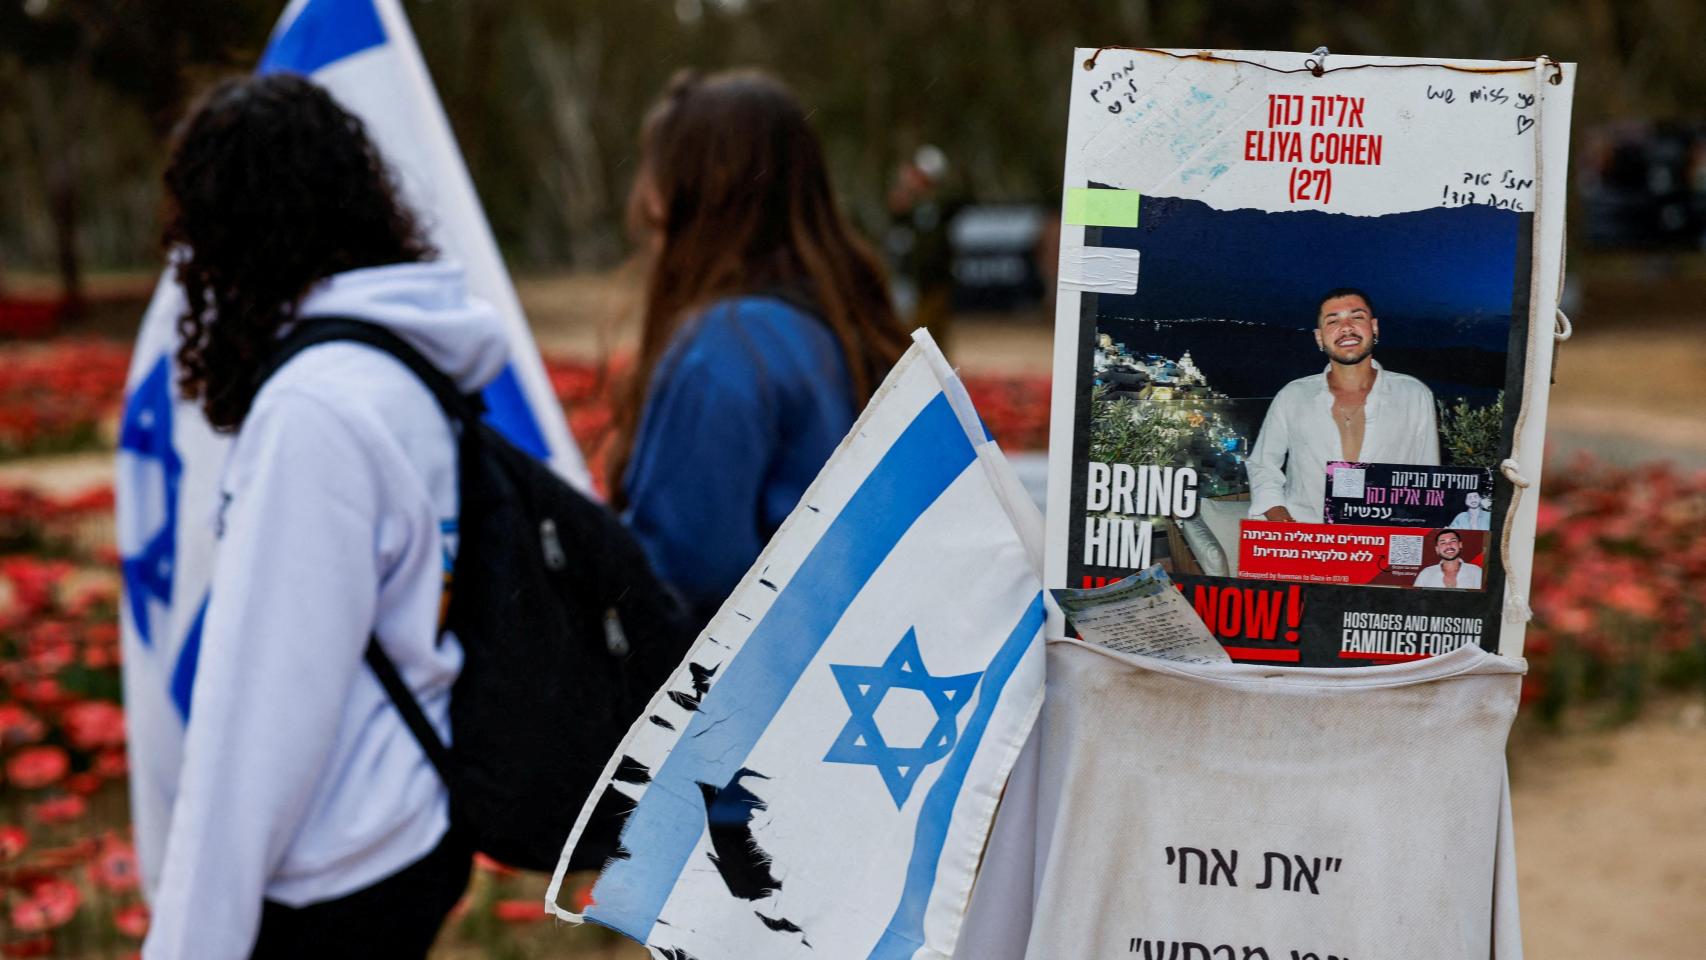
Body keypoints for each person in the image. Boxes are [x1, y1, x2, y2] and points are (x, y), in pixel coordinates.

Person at [140, 74, 486, 957]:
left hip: (333, 870)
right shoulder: (400, 364)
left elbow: (259, 721)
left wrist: (189, 942)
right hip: (412, 821)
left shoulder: (313, 412)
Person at [609, 69, 910, 628]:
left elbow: (678, 576)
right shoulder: (849, 324)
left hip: (750, 697)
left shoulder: (726, 349)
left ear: (693, 191)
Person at [1246, 288, 1439, 524]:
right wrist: (1281, 520)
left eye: (1357, 317)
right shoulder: (1292, 397)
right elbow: (1263, 465)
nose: (1346, 327)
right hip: (1307, 542)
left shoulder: (1414, 395)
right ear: (1319, 337)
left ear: (1374, 327)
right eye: (1333, 321)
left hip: (1384, 544)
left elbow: (1428, 477)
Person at [1413, 529, 1483, 589]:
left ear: (1460, 545)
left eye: (1453, 541)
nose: (1448, 545)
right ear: (1437, 549)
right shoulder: (1425, 574)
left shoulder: (1476, 572)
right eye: (1443, 542)